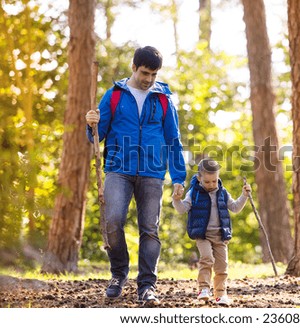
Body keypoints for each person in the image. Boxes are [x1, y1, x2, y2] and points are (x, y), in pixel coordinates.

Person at [85, 46, 186, 303]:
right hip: (119, 168)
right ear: (134, 67)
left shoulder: (163, 99)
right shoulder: (114, 96)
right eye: (144, 72)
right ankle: (119, 274)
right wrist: (91, 124)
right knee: (113, 222)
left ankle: (147, 285)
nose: (149, 79)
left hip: (152, 171)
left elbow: (173, 140)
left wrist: (178, 177)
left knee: (150, 229)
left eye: (153, 74)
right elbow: (97, 136)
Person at [172, 158, 251, 305]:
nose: (211, 185)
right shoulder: (194, 193)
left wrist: (244, 196)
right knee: (207, 258)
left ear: (218, 177)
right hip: (203, 235)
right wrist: (176, 200)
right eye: (207, 182)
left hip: (221, 235)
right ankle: (204, 289)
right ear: (199, 178)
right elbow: (182, 209)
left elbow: (235, 208)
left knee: (222, 266)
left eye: (214, 181)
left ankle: (220, 294)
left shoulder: (222, 192)